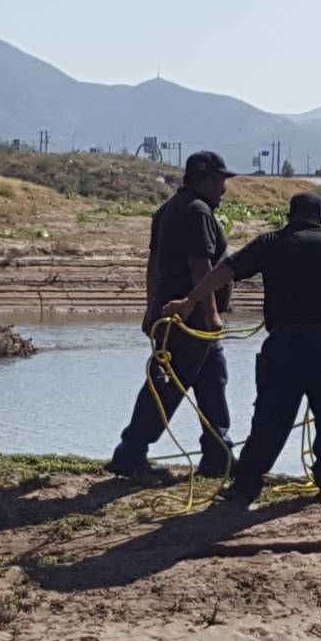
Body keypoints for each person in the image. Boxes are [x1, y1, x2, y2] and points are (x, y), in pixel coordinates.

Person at [161, 193, 321, 502]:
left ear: (290, 216)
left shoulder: (270, 242)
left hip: (285, 343)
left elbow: (224, 270)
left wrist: (190, 302)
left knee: (271, 416)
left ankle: (247, 484)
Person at [107, 151, 237, 478]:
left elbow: (154, 263)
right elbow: (199, 266)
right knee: (166, 387)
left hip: (174, 317)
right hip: (190, 321)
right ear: (205, 180)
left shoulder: (167, 209)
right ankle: (130, 452)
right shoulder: (198, 212)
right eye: (220, 181)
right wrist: (210, 314)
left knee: (213, 382)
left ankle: (218, 456)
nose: (223, 188)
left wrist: (151, 307)